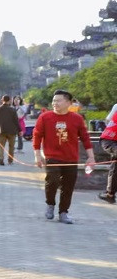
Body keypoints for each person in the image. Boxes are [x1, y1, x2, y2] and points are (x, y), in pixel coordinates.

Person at [32, 89, 95, 224]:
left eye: (58, 100)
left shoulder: (77, 119)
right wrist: (37, 155)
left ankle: (63, 212)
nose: (55, 103)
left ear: (68, 103)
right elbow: (37, 136)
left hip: (71, 158)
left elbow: (85, 138)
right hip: (52, 157)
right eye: (54, 100)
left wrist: (91, 157)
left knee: (68, 186)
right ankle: (50, 204)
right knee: (52, 181)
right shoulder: (45, 117)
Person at [0, 95, 20, 166]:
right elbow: (16, 121)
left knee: (1, 146)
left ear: (2, 100)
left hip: (2, 130)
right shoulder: (12, 110)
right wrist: (19, 130)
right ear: (9, 101)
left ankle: (1, 159)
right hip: (12, 131)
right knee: (11, 146)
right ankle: (10, 160)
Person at [98, 109, 117, 204]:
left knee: (115, 167)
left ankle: (110, 194)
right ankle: (110, 194)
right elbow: (109, 120)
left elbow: (108, 119)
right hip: (110, 140)